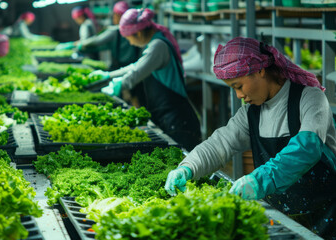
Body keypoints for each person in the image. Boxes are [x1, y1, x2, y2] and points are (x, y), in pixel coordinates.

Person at [164, 37, 336, 239]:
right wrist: (188, 167)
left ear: (260, 70)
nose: (238, 95)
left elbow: (306, 148)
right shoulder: (251, 114)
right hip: (283, 219)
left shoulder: (310, 98)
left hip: (327, 216)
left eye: (239, 86)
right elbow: (220, 143)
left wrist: (258, 181)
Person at [90, 8, 201, 151]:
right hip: (169, 118)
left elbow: (136, 73)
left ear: (139, 33)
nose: (130, 43)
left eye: (129, 38)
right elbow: (136, 66)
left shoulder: (158, 46)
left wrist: (119, 85)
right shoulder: (155, 43)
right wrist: (109, 75)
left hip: (178, 121)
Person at [77, 1, 145, 107]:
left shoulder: (114, 31)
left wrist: (80, 44)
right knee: (134, 96)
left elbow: (95, 42)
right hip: (133, 66)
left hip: (125, 66)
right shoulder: (134, 31)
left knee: (127, 96)